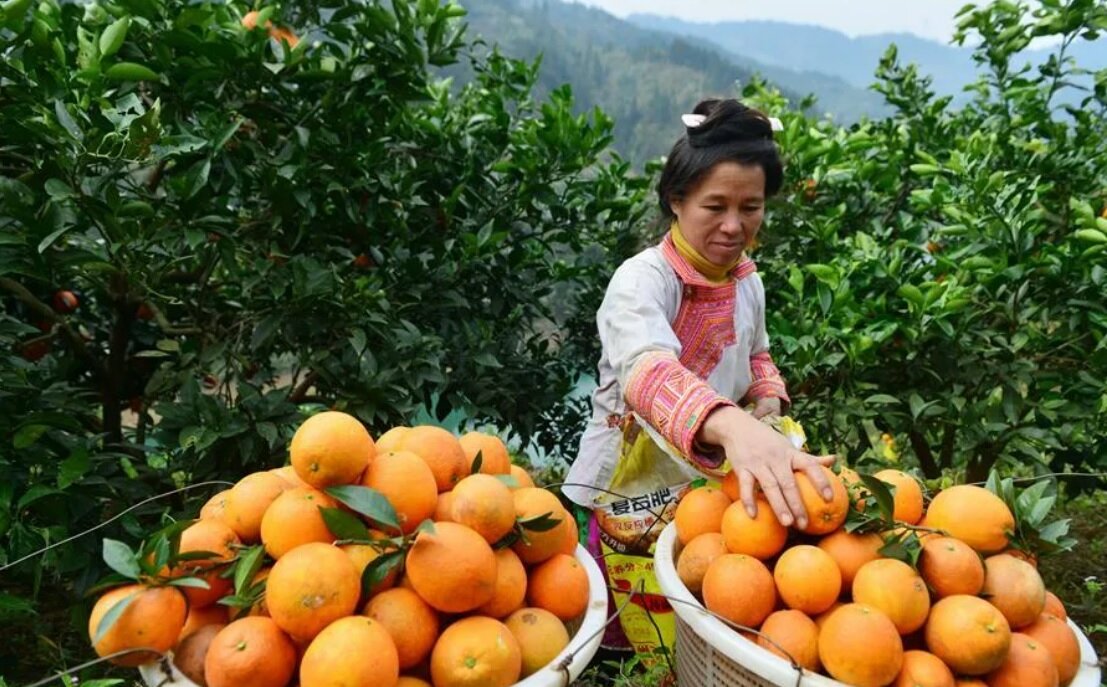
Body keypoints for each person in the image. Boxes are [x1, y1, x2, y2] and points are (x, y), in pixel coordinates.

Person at [562, 97, 836, 659]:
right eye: (715, 206)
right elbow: (646, 370)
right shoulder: (642, 281)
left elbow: (757, 355)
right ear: (676, 199)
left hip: (705, 494)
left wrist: (766, 405)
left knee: (699, 622)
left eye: (751, 207)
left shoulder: (746, 280)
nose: (735, 226)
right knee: (623, 642)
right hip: (627, 493)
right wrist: (733, 426)